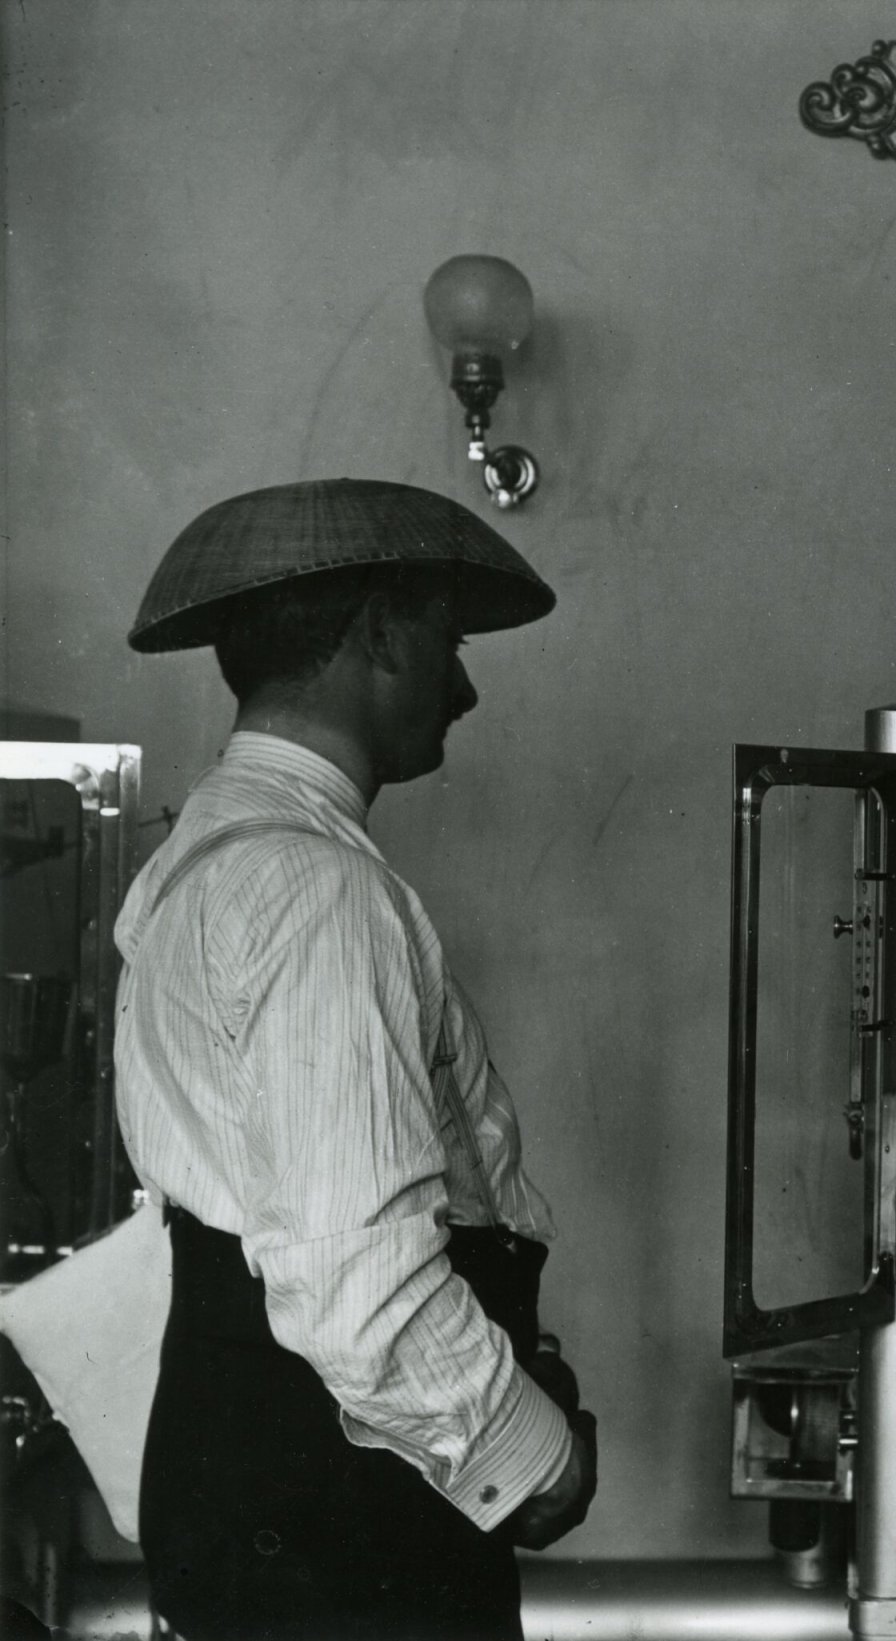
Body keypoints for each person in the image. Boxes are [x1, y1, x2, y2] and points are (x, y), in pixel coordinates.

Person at [114, 479, 596, 1641]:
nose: (467, 686)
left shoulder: (201, 856)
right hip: (341, 1522)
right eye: (450, 640)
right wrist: (536, 1462)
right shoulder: (314, 888)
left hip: (263, 1493)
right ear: (380, 633)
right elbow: (353, 1279)